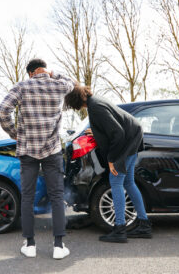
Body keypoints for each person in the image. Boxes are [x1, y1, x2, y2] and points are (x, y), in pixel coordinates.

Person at [0, 58, 74, 259]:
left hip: (28, 149)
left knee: (28, 197)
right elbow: (72, 83)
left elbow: (3, 110)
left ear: (30, 73)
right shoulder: (58, 85)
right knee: (57, 196)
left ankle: (30, 244)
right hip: (52, 150)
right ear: (44, 70)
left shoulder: (22, 86)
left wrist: (13, 133)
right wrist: (53, 74)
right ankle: (58, 246)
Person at [64, 84, 152, 243]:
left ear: (75, 100)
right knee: (129, 182)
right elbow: (111, 127)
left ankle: (120, 229)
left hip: (127, 140)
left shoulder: (96, 107)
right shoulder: (95, 102)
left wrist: (112, 160)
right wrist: (97, 132)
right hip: (133, 136)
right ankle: (144, 225)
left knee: (116, 181)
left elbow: (118, 133)